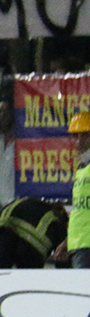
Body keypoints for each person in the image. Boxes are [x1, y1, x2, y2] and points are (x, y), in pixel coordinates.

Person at [51, 111, 90, 268]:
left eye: (86, 135)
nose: (80, 141)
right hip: (79, 245)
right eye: (76, 136)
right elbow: (81, 212)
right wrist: (68, 243)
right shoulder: (82, 169)